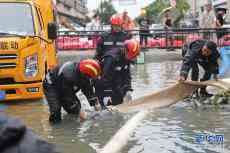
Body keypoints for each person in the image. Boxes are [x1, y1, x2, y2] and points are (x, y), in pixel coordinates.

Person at [43, 59, 101, 124]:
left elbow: (88, 89)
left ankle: (71, 127)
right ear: (85, 75)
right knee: (56, 110)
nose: (90, 79)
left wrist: (95, 103)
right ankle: (55, 129)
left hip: (65, 85)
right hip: (51, 85)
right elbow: (68, 96)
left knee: (73, 111)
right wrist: (79, 111)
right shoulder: (68, 75)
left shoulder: (84, 74)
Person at [95, 39, 140, 108]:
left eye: (133, 56)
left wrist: (128, 89)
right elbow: (104, 78)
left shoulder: (127, 58)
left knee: (120, 105)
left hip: (115, 83)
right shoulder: (111, 58)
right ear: (125, 50)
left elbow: (127, 75)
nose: (131, 58)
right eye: (130, 56)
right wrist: (107, 95)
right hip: (103, 86)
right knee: (106, 110)